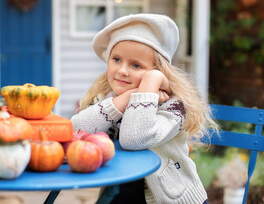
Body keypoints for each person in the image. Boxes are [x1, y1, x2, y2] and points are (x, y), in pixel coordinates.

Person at [71, 13, 218, 204]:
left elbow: (134, 138)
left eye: (136, 65)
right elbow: (75, 130)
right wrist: (127, 98)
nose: (122, 70)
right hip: (120, 194)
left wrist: (151, 81)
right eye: (116, 59)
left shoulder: (173, 106)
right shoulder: (107, 100)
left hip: (170, 199)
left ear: (159, 71)